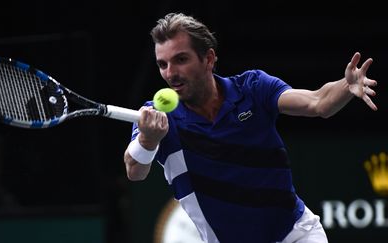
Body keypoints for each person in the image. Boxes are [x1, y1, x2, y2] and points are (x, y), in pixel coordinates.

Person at [123, 12, 378, 243]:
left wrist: (347, 86)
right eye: (162, 64)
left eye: (180, 59)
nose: (170, 73)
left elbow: (317, 102)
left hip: (296, 234)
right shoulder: (158, 118)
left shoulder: (253, 88)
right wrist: (148, 140)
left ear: (209, 58)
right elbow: (134, 170)